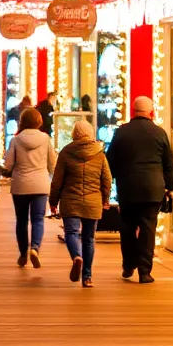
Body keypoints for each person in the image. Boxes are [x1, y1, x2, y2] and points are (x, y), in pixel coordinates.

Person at [107, 96, 173, 284]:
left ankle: (129, 265)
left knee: (127, 228)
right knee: (148, 230)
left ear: (133, 110)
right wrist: (169, 187)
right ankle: (145, 272)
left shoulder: (121, 133)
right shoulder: (159, 133)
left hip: (128, 188)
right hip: (152, 190)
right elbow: (169, 163)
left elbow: (110, 160)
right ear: (151, 112)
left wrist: (109, 184)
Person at [50, 119, 112, 288]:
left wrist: (53, 201)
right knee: (89, 239)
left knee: (71, 233)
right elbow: (106, 179)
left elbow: (57, 180)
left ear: (74, 134)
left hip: (70, 200)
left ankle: (76, 256)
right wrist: (105, 198)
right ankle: (87, 276)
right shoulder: (99, 154)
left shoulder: (66, 152)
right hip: (92, 201)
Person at [2, 106, 56, 268]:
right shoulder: (46, 139)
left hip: (20, 185)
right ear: (39, 121)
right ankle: (35, 248)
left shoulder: (16, 140)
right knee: (38, 220)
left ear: (22, 122)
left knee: (21, 221)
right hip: (40, 184)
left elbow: (9, 164)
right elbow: (52, 164)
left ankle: (23, 253)